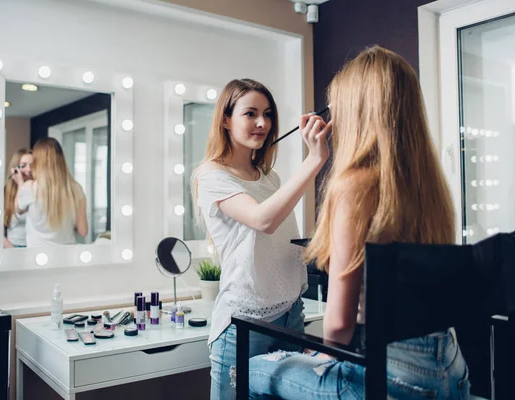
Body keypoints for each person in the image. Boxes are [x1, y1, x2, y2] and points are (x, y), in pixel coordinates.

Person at [248, 46, 470, 399]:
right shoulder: (429, 184)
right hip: (450, 367)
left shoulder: (354, 185)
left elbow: (338, 324)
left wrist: (322, 355)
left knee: (254, 369)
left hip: (392, 373)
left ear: (355, 111)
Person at [191, 78, 331, 399]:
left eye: (267, 114)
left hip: (291, 315)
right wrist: (314, 159)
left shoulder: (270, 177)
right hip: (244, 323)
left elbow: (280, 241)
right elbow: (263, 220)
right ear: (225, 119)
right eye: (250, 114)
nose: (262, 123)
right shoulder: (212, 176)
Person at [13, 137, 88, 246]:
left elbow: (18, 209)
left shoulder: (29, 188)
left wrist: (20, 183)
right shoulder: (76, 188)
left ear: (37, 161)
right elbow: (83, 231)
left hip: (38, 258)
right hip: (67, 256)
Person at [3, 148, 33, 248]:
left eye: (32, 165)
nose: (29, 170)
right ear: (15, 168)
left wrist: (21, 185)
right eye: (23, 165)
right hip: (13, 247)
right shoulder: (5, 192)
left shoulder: (39, 190)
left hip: (35, 248)